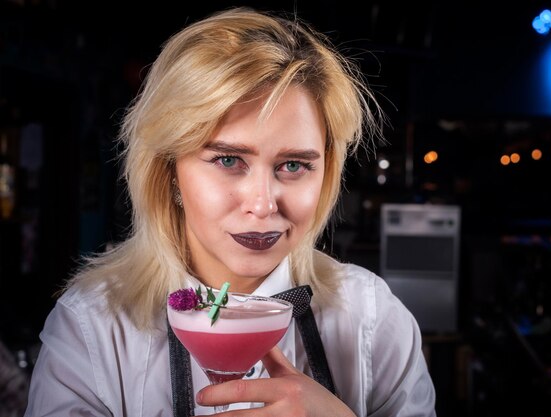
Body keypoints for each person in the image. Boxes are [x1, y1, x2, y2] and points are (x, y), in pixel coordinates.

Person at [24, 7, 436, 416]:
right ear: (169, 170)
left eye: (293, 165)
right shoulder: (92, 328)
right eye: (227, 160)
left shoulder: (373, 319)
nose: (262, 204)